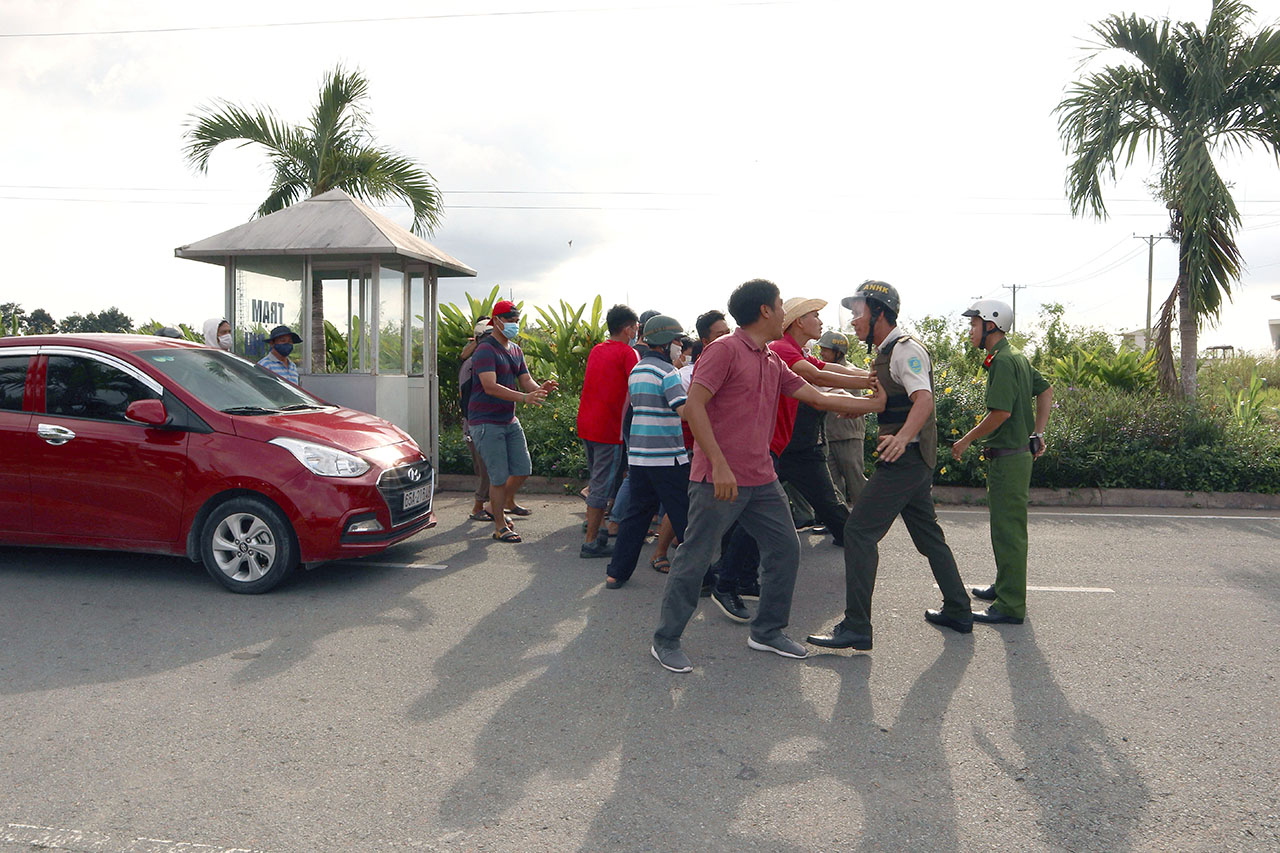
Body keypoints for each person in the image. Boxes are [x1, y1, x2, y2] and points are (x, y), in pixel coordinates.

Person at [650, 279, 876, 674]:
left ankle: (767, 631)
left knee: (786, 549)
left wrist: (877, 399)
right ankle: (666, 639)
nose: (785, 313)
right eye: (780, 305)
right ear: (765, 312)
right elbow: (695, 406)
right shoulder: (724, 350)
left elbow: (817, 395)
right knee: (696, 556)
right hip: (717, 479)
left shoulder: (772, 359)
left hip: (762, 478)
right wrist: (718, 464)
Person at [807, 280, 973, 652]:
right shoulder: (886, 353)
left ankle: (856, 626)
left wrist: (901, 438)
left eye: (857, 312)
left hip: (905, 459)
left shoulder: (905, 349)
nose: (853, 321)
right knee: (928, 536)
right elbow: (889, 399)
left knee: (858, 533)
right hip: (909, 460)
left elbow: (923, 400)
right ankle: (959, 609)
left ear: (879, 312)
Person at [710, 297, 876, 622]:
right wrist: (872, 387)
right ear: (798, 321)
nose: (820, 320)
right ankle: (725, 581)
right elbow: (821, 379)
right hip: (772, 448)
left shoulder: (798, 352)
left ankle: (737, 580)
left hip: (781, 447)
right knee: (758, 520)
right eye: (815, 315)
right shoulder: (784, 350)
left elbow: (827, 372)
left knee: (755, 519)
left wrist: (869, 381)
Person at [952, 299, 1054, 625]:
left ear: (991, 326)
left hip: (1008, 459)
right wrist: (1037, 433)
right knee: (1004, 529)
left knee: (1008, 532)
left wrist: (966, 439)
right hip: (1014, 456)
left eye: (974, 324)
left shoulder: (1003, 362)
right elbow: (1047, 389)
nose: (970, 330)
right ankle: (1004, 586)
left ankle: (1010, 605)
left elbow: (1001, 414)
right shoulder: (1015, 357)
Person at [605, 315, 690, 588]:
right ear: (666, 342)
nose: (680, 346)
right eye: (677, 340)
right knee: (685, 517)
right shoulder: (668, 373)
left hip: (641, 455)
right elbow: (684, 410)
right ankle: (701, 579)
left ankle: (616, 573)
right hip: (667, 455)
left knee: (636, 516)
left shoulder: (638, 369)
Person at [468, 299, 559, 543]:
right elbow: (489, 386)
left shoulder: (515, 349)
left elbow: (525, 380)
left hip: (508, 420)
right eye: (510, 321)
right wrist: (524, 397)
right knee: (498, 477)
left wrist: (540, 389)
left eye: (517, 321)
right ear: (496, 321)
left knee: (522, 469)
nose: (514, 325)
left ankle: (493, 505)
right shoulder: (486, 350)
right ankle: (500, 526)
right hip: (486, 422)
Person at [577, 304, 640, 557]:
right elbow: (638, 389)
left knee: (597, 480)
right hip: (609, 428)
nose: (636, 332)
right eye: (635, 328)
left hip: (587, 424)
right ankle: (591, 542)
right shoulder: (628, 354)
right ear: (627, 329)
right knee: (602, 485)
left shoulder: (597, 350)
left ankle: (597, 528)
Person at [818, 330, 868, 507]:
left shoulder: (851, 372)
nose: (822, 353)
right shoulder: (823, 370)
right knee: (832, 485)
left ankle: (866, 520)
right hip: (829, 436)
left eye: (825, 350)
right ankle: (839, 522)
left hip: (849, 436)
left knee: (856, 481)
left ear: (838, 351)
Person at [460, 320, 495, 522]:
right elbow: (465, 398)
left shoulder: (484, 360)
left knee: (492, 467)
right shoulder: (472, 364)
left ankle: (495, 506)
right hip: (476, 424)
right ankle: (478, 507)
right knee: (485, 469)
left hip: (486, 422)